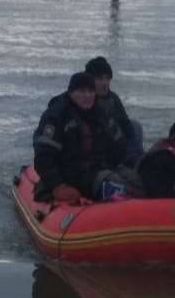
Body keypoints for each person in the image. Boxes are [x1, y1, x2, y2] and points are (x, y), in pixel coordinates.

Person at [32, 71, 128, 203]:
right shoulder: (57, 116)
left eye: (90, 91)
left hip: (99, 169)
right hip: (70, 174)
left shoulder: (101, 114)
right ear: (71, 93)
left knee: (134, 180)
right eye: (82, 91)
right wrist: (57, 185)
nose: (87, 96)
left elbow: (120, 145)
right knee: (114, 183)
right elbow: (43, 157)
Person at [85, 56, 143, 164]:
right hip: (96, 149)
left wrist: (134, 150)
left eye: (107, 78)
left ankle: (138, 162)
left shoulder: (112, 98)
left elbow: (126, 124)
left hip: (115, 144)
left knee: (135, 126)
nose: (105, 83)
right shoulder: (84, 99)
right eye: (99, 78)